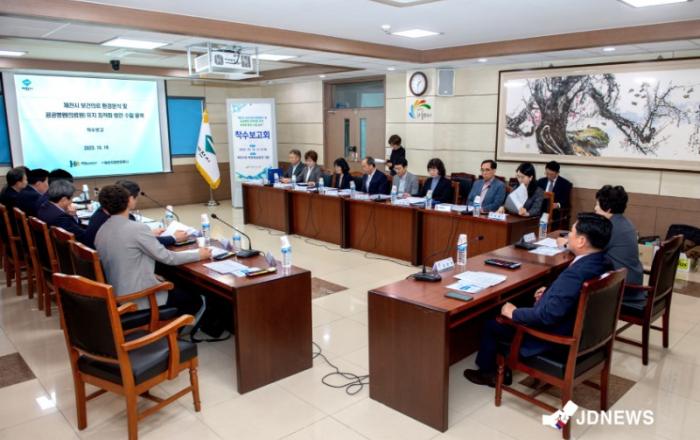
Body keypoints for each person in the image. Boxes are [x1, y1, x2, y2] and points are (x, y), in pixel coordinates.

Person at [463, 212, 613, 387]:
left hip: (555, 339)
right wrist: (549, 291)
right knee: (523, 299)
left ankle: (488, 373)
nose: (568, 236)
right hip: (586, 333)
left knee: (494, 320)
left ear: (581, 241)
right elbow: (571, 293)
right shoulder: (603, 262)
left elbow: (547, 316)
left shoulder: (576, 273)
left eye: (571, 232)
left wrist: (514, 313)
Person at [95, 185, 211, 314]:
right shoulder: (137, 229)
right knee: (195, 299)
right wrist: (198, 254)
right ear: (129, 201)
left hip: (118, 294)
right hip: (140, 298)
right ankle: (176, 326)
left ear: (104, 209)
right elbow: (168, 258)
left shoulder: (101, 230)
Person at [82, 180, 188, 249]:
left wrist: (148, 234)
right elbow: (147, 244)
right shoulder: (115, 219)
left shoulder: (100, 213)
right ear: (129, 198)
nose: (136, 201)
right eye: (135, 197)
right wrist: (173, 238)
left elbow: (131, 237)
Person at [593, 185, 644, 304]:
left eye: (597, 204)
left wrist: (567, 243)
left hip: (624, 288)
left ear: (608, 209)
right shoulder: (625, 222)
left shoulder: (610, 227)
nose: (595, 208)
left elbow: (589, 249)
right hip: (633, 281)